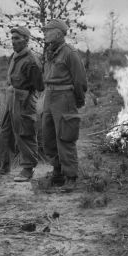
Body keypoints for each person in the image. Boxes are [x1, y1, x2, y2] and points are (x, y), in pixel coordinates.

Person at [42, 19, 88, 190]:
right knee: (49, 136)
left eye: (48, 30)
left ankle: (71, 176)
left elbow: (80, 79)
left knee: (65, 137)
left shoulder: (70, 53)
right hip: (50, 96)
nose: (45, 33)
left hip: (64, 97)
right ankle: (57, 171)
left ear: (59, 33)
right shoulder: (49, 52)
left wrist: (78, 99)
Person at [0, 26, 44, 181]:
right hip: (12, 99)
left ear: (26, 39)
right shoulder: (14, 56)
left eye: (17, 38)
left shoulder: (31, 61)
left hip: (24, 101)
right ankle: (3, 167)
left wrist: (26, 95)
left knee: (25, 133)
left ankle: (27, 169)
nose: (14, 41)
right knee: (5, 132)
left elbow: (39, 86)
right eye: (12, 38)